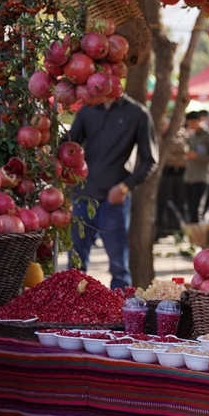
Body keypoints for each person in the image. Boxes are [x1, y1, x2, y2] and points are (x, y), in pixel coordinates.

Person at [67, 93, 158, 289]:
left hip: (114, 201)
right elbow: (68, 147)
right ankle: (72, 311)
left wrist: (125, 187)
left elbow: (150, 160)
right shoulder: (87, 110)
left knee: (119, 268)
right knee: (75, 266)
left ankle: (121, 314)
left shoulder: (137, 113)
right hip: (83, 196)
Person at [183, 111, 209, 224]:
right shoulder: (191, 136)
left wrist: (197, 157)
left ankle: (198, 238)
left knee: (197, 210)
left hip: (201, 178)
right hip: (189, 177)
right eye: (189, 123)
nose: (191, 125)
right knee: (189, 210)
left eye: (193, 122)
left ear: (200, 121)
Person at [156, 117, 189, 237]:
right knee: (162, 202)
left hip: (180, 173)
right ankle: (160, 230)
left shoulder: (182, 136)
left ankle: (179, 231)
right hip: (166, 173)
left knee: (180, 203)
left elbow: (187, 154)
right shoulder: (160, 137)